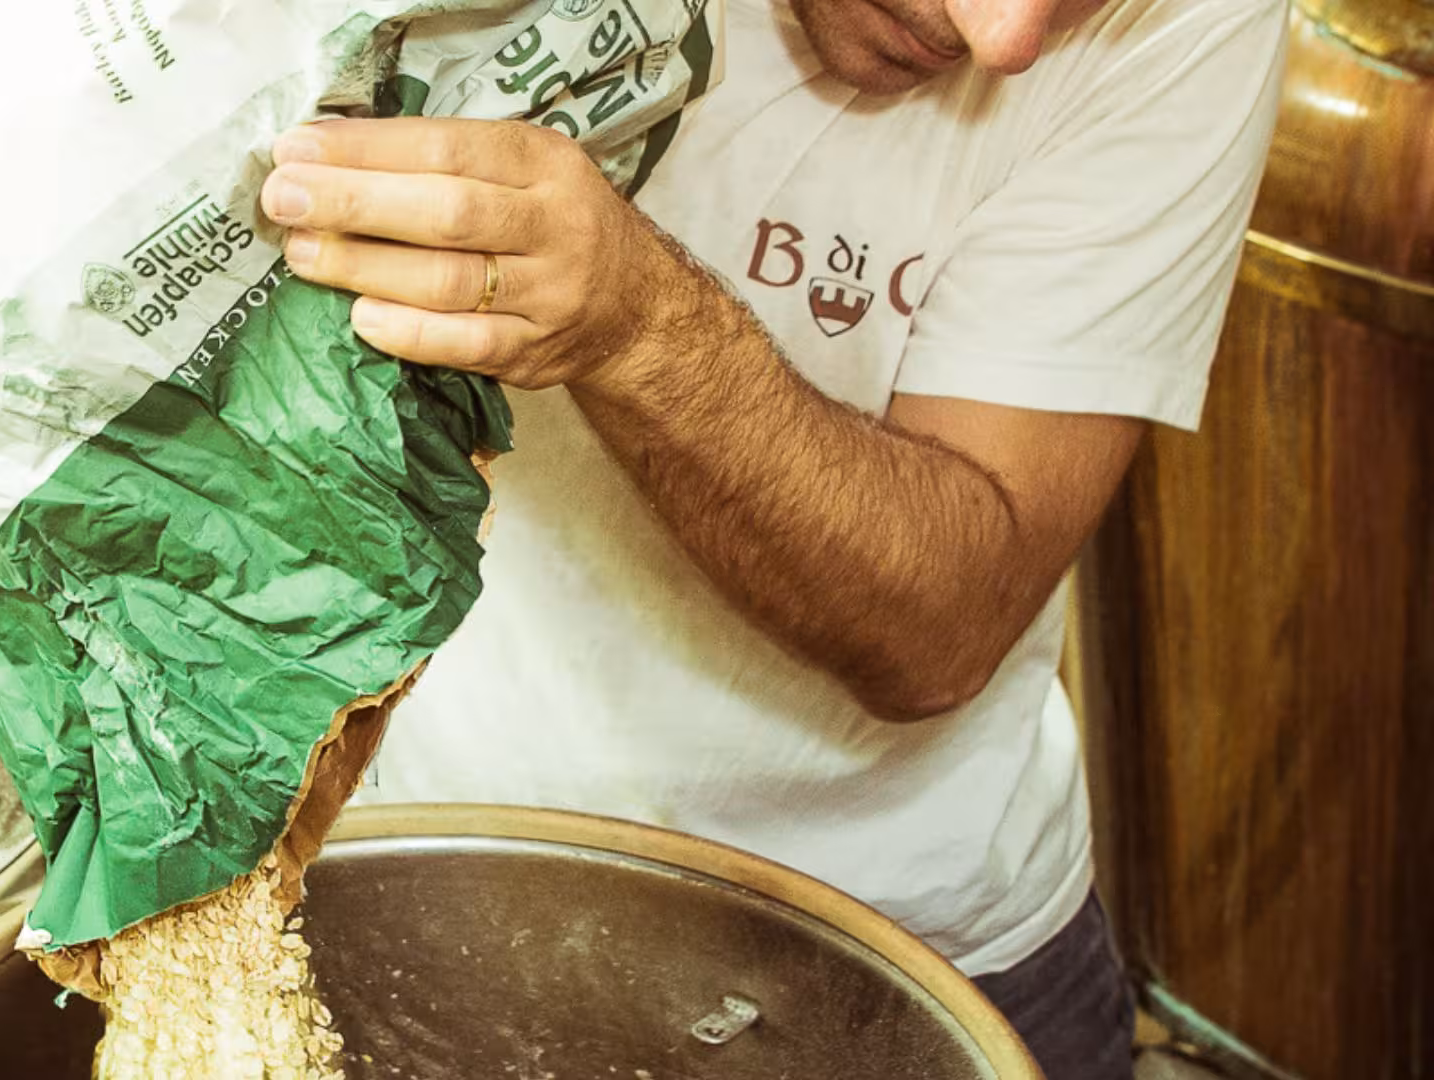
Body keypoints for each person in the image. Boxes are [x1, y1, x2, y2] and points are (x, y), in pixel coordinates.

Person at [258, 0, 1287, 1074]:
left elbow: (946, 622)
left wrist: (638, 321)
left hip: (925, 936)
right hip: (445, 884)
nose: (1007, 41)